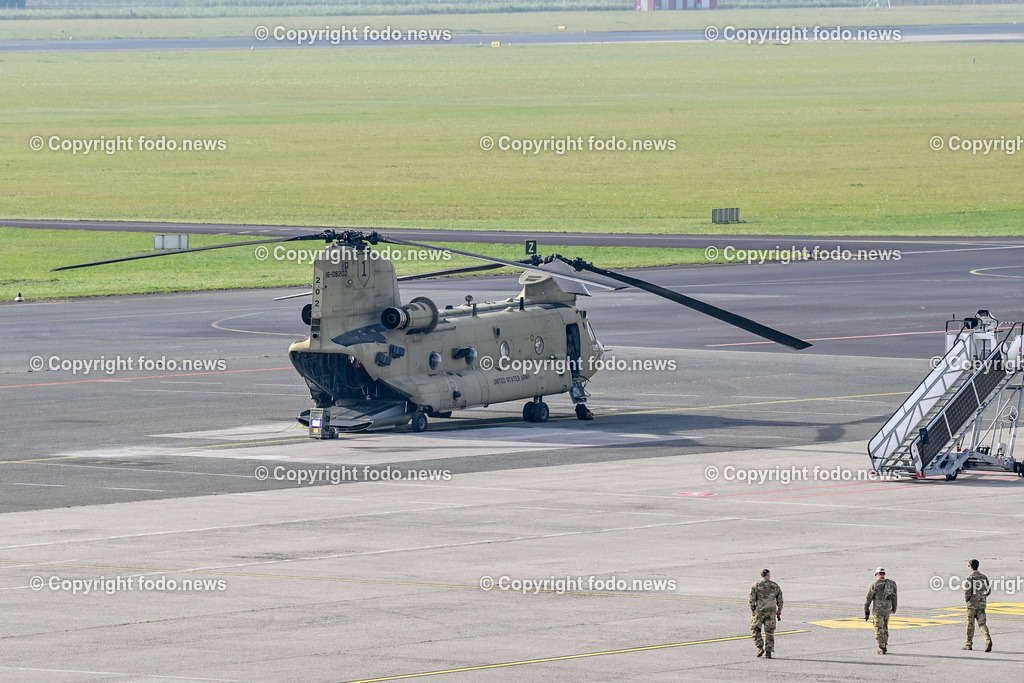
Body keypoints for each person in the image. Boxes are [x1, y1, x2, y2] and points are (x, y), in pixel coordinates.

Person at [749, 568, 783, 659]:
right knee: (769, 632)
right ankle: (769, 651)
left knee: (755, 629)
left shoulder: (756, 586)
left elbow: (751, 599)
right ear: (768, 576)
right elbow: (780, 599)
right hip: (771, 612)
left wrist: (753, 610)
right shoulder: (775, 586)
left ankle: (760, 646)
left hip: (759, 612)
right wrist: (779, 610)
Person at [864, 567, 897, 654]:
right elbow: (895, 597)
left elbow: (868, 598)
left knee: (878, 628)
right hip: (887, 610)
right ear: (884, 574)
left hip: (878, 611)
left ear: (877, 574)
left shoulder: (874, 585)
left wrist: (866, 611)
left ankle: (882, 647)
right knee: (885, 628)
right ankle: (884, 644)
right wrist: (894, 608)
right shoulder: (892, 584)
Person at [963, 559, 993, 652]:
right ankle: (987, 640)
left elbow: (967, 592)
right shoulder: (984, 577)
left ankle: (968, 644)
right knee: (982, 624)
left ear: (971, 567)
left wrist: (967, 600)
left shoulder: (969, 578)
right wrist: (982, 597)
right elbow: (988, 591)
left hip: (972, 605)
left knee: (970, 624)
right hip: (981, 605)